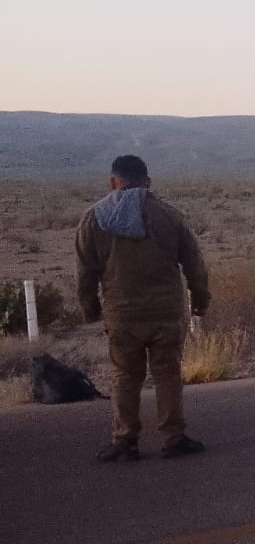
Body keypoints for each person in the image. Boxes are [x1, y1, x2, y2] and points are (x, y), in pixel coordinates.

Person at [75, 154, 211, 462]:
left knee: (124, 375)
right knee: (167, 374)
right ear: (148, 182)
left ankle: (125, 441)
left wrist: (91, 309)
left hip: (122, 313)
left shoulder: (95, 218)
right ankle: (173, 438)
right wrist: (200, 300)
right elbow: (194, 265)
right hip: (165, 313)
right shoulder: (169, 216)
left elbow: (85, 272)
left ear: (113, 181)